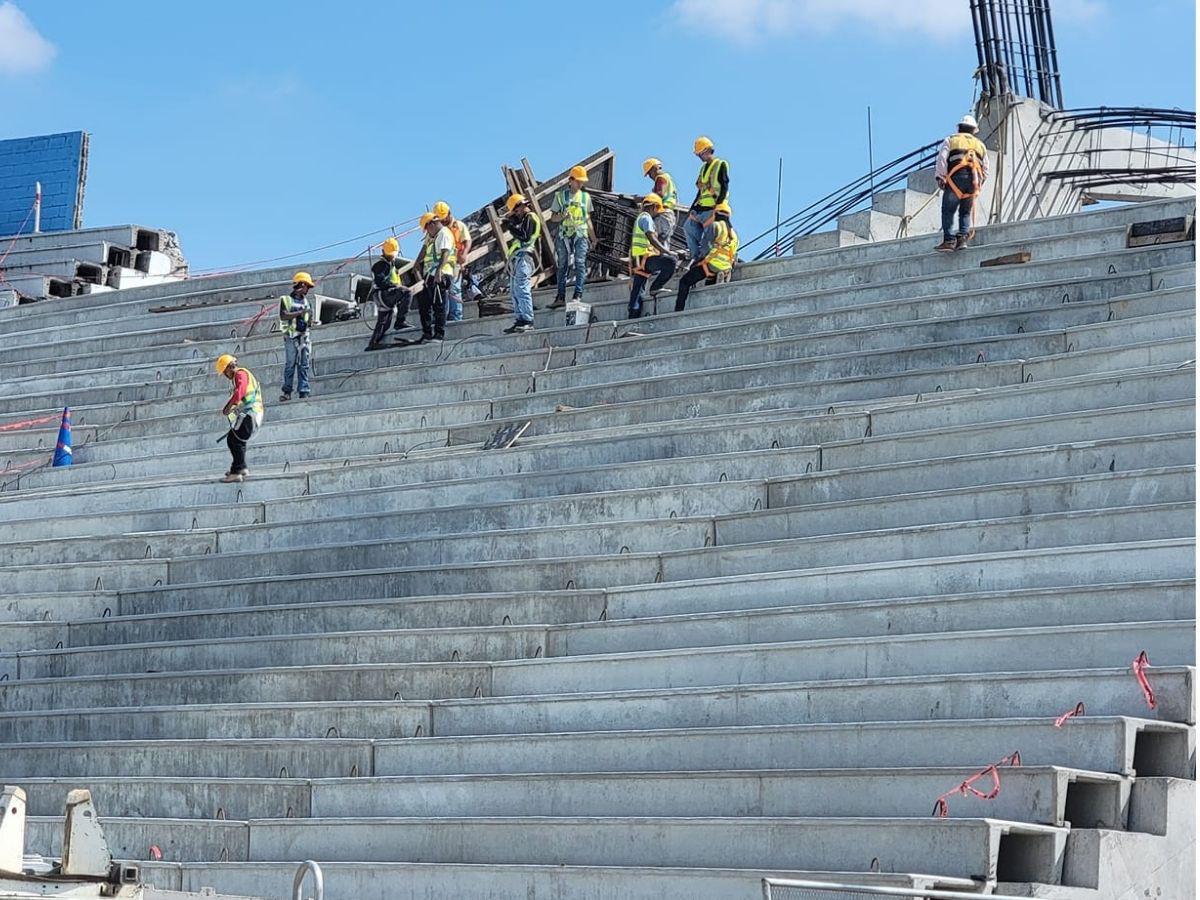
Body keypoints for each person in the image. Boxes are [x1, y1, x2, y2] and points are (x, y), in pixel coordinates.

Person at [935, 113, 989, 252]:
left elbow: (942, 159)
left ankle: (949, 241)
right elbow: (986, 168)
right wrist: (978, 183)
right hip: (972, 182)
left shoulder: (951, 140)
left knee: (948, 210)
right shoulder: (980, 145)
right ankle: (962, 239)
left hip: (955, 179)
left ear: (959, 128)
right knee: (965, 212)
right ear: (973, 130)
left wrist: (940, 177)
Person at [674, 200, 737, 312]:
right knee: (708, 281)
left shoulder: (715, 226)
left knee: (684, 281)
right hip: (726, 266)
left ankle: (678, 311)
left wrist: (696, 261)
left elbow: (705, 247)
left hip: (712, 264)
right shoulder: (734, 234)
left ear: (716, 213)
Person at [549, 165, 596, 308]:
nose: (580, 184)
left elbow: (587, 219)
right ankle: (560, 297)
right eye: (578, 181)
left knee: (580, 263)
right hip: (564, 234)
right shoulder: (560, 197)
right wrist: (562, 216)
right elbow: (553, 218)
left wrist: (593, 238)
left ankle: (578, 295)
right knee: (562, 265)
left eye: (582, 181)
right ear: (571, 180)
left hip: (580, 233)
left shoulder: (585, 197)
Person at [628, 193, 678, 319]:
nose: (658, 214)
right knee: (670, 262)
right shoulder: (646, 218)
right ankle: (656, 287)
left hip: (639, 260)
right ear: (654, 207)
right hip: (645, 259)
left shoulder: (640, 217)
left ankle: (632, 316)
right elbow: (652, 239)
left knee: (638, 290)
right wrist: (667, 252)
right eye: (658, 210)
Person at [410, 211, 457, 344]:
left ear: (432, 223)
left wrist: (439, 271)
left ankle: (438, 334)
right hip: (430, 275)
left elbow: (445, 253)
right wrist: (417, 264)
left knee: (438, 305)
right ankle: (427, 333)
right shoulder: (433, 235)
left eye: (426, 228)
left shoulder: (443, 234)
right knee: (424, 305)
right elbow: (424, 248)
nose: (426, 231)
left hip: (440, 274)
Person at [216, 353, 263, 483]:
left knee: (234, 439)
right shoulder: (241, 374)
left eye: (225, 372)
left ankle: (236, 471)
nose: (226, 375)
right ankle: (241, 468)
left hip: (251, 413)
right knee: (236, 439)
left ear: (230, 367)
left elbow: (239, 392)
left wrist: (229, 406)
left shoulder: (240, 375)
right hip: (250, 412)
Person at [684, 136, 729, 263]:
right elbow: (701, 191)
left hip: (713, 208)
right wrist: (692, 207)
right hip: (701, 207)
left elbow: (724, 185)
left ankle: (707, 259)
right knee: (688, 228)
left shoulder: (720, 164)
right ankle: (696, 257)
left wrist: (719, 205)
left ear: (709, 150)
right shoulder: (703, 168)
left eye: (701, 154)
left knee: (709, 238)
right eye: (698, 154)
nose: (700, 157)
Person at [366, 237, 414, 351]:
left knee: (384, 322)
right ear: (383, 252)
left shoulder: (391, 265)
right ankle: (400, 322)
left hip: (384, 295)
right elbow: (380, 281)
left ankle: (374, 342)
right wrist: (395, 286)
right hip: (383, 294)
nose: (392, 256)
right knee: (406, 292)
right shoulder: (381, 265)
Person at [502, 192, 541, 333]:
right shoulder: (524, 219)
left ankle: (527, 320)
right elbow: (520, 227)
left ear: (521, 206)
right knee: (514, 290)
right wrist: (512, 222)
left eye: (516, 210)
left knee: (522, 289)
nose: (516, 214)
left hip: (524, 258)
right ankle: (520, 319)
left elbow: (524, 236)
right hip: (518, 259)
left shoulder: (531, 218)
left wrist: (510, 227)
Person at [278, 271, 314, 401]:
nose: (308, 289)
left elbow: (308, 318)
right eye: (307, 286)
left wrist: (309, 320)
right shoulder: (286, 300)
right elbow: (283, 315)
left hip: (304, 335)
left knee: (304, 364)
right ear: (302, 284)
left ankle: (303, 390)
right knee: (290, 364)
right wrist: (300, 312)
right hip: (291, 336)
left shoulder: (306, 301)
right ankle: (287, 391)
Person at [435, 201, 472, 322]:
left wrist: (464, 254)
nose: (443, 221)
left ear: (449, 213)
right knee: (444, 292)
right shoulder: (440, 230)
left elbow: (467, 241)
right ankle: (444, 318)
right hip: (443, 264)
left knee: (454, 290)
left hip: (454, 263)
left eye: (444, 218)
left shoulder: (459, 226)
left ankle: (456, 318)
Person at [642, 157, 678, 248]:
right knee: (663, 242)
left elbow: (659, 194)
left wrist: (644, 199)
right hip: (669, 215)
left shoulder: (660, 178)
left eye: (649, 173)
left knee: (654, 240)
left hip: (663, 214)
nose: (650, 177)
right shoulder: (668, 178)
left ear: (654, 168)